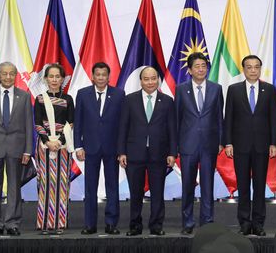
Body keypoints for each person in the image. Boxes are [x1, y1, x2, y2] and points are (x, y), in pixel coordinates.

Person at [118, 66, 177, 236]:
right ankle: (135, 226)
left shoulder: (167, 101)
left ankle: (156, 226)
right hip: (134, 154)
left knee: (157, 193)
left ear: (158, 80)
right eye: (147, 79)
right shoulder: (130, 100)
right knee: (135, 193)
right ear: (141, 81)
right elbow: (123, 127)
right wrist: (121, 152)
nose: (150, 82)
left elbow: (172, 129)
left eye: (153, 78)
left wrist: (172, 153)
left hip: (159, 154)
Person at [223, 55, 276, 236]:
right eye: (249, 67)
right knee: (244, 186)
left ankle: (259, 223)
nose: (253, 70)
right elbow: (228, 118)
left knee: (260, 186)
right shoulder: (234, 90)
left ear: (260, 69)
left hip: (262, 146)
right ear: (244, 69)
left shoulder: (269, 90)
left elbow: (273, 118)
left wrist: (273, 143)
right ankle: (245, 223)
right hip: (240, 146)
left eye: (256, 67)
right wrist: (228, 142)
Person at [0, 62, 33, 237]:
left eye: (11, 74)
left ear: (15, 76)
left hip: (16, 149)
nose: (8, 77)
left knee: (14, 187)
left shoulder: (24, 96)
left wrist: (27, 151)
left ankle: (12, 223)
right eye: (4, 74)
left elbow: (28, 125)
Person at [175, 52, 224, 235]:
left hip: (209, 145)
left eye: (204, 66)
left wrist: (220, 141)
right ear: (189, 70)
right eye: (197, 66)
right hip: (187, 145)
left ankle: (207, 222)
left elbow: (220, 117)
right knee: (187, 186)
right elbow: (177, 119)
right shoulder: (181, 89)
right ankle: (187, 223)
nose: (201, 69)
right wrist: (176, 146)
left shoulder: (216, 89)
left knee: (207, 185)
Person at [74, 62, 125, 235]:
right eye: (98, 74)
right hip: (90, 148)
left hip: (112, 148)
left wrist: (121, 149)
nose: (101, 77)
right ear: (93, 76)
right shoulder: (82, 94)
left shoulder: (119, 94)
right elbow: (78, 122)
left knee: (112, 187)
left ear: (109, 76)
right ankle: (90, 224)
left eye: (104, 74)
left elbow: (122, 125)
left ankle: (111, 223)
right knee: (90, 188)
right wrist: (78, 146)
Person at [34, 63, 75, 234]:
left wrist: (59, 141)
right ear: (46, 79)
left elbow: (70, 123)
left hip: (63, 146)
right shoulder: (39, 99)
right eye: (51, 76)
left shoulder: (68, 99)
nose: (54, 80)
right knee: (45, 183)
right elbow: (37, 123)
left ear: (62, 79)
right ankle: (44, 223)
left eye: (58, 76)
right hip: (44, 146)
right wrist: (48, 142)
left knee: (62, 184)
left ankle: (59, 223)